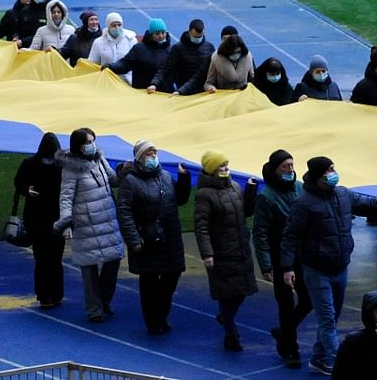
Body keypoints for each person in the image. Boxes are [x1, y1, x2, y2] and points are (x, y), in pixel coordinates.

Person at [280, 156, 377, 375]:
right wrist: (287, 267)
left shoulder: (343, 194)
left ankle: (319, 358)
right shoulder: (304, 203)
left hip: (340, 266)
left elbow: (371, 204)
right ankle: (343, 367)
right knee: (327, 319)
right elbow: (290, 237)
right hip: (317, 270)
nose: (333, 172)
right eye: (329, 170)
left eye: (333, 168)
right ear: (319, 175)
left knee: (332, 317)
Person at [118, 141, 190, 335]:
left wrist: (184, 179)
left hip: (170, 238)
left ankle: (161, 315)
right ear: (140, 157)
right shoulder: (130, 181)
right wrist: (133, 239)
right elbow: (124, 212)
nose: (153, 156)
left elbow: (179, 199)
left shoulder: (165, 176)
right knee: (149, 282)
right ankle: (153, 321)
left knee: (171, 277)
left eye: (155, 152)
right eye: (149, 153)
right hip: (147, 240)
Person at [54, 127, 123, 323]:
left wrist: (123, 172)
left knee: (114, 260)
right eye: (87, 142)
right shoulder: (71, 169)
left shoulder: (99, 159)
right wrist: (66, 224)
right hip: (86, 225)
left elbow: (113, 180)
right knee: (89, 267)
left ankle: (104, 300)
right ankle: (95, 309)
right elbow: (66, 198)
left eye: (93, 141)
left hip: (107, 221)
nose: (92, 145)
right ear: (78, 146)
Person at [253, 150, 312, 369]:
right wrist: (266, 264)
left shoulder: (299, 188)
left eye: (291, 165)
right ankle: (290, 349)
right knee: (286, 304)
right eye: (285, 166)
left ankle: (284, 332)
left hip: (302, 256)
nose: (290, 170)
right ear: (276, 169)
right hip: (280, 258)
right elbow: (260, 232)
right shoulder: (266, 197)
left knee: (308, 300)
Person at [195, 150, 257, 351]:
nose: (226, 168)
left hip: (240, 249)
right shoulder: (204, 195)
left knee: (240, 292)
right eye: (221, 165)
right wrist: (207, 253)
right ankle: (231, 334)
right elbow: (201, 225)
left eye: (227, 164)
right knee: (226, 293)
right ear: (212, 169)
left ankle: (225, 317)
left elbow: (246, 212)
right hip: (221, 253)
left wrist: (250, 192)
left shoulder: (235, 187)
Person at [14, 132, 65, 309]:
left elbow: (18, 183)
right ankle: (54, 294)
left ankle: (46, 295)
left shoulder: (30, 163)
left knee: (44, 258)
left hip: (38, 216)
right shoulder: (60, 166)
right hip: (52, 216)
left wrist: (27, 190)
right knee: (52, 258)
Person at [148, 19, 213, 94]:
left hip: (203, 92)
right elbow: (165, 68)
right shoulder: (178, 48)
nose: (197, 39)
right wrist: (154, 84)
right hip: (184, 92)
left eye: (200, 36)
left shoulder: (209, 47)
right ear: (189, 32)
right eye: (195, 36)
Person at [178, 33, 253, 95]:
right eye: (233, 52)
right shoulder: (216, 59)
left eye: (238, 52)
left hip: (241, 98)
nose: (236, 55)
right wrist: (211, 88)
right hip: (222, 99)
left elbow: (253, 79)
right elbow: (207, 83)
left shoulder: (247, 58)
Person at [109, 18, 170, 90]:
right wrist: (111, 66)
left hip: (165, 94)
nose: (161, 36)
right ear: (151, 34)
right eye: (157, 33)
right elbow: (125, 63)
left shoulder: (171, 50)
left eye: (163, 32)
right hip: (144, 93)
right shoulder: (139, 49)